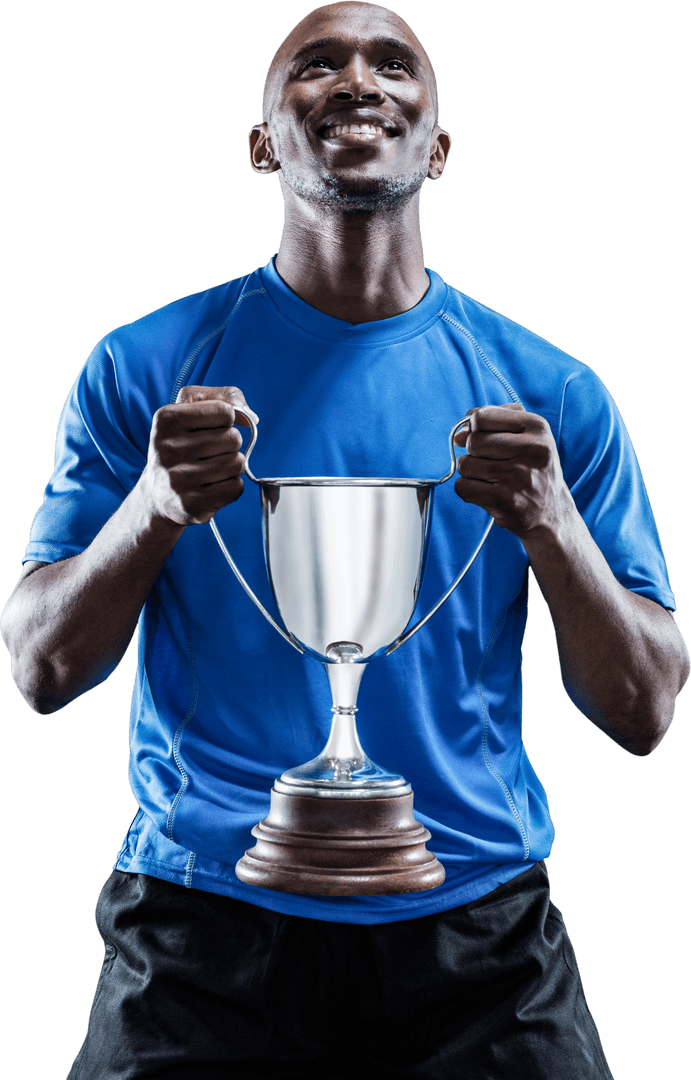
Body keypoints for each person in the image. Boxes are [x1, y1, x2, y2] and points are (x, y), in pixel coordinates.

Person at [2, 2, 688, 1077]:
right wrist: (153, 506)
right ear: (263, 142)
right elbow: (39, 669)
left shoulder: (552, 396)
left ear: (438, 145)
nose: (357, 81)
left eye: (393, 65)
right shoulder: (143, 370)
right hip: (202, 933)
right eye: (316, 64)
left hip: (477, 935)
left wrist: (553, 527)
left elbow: (645, 712)